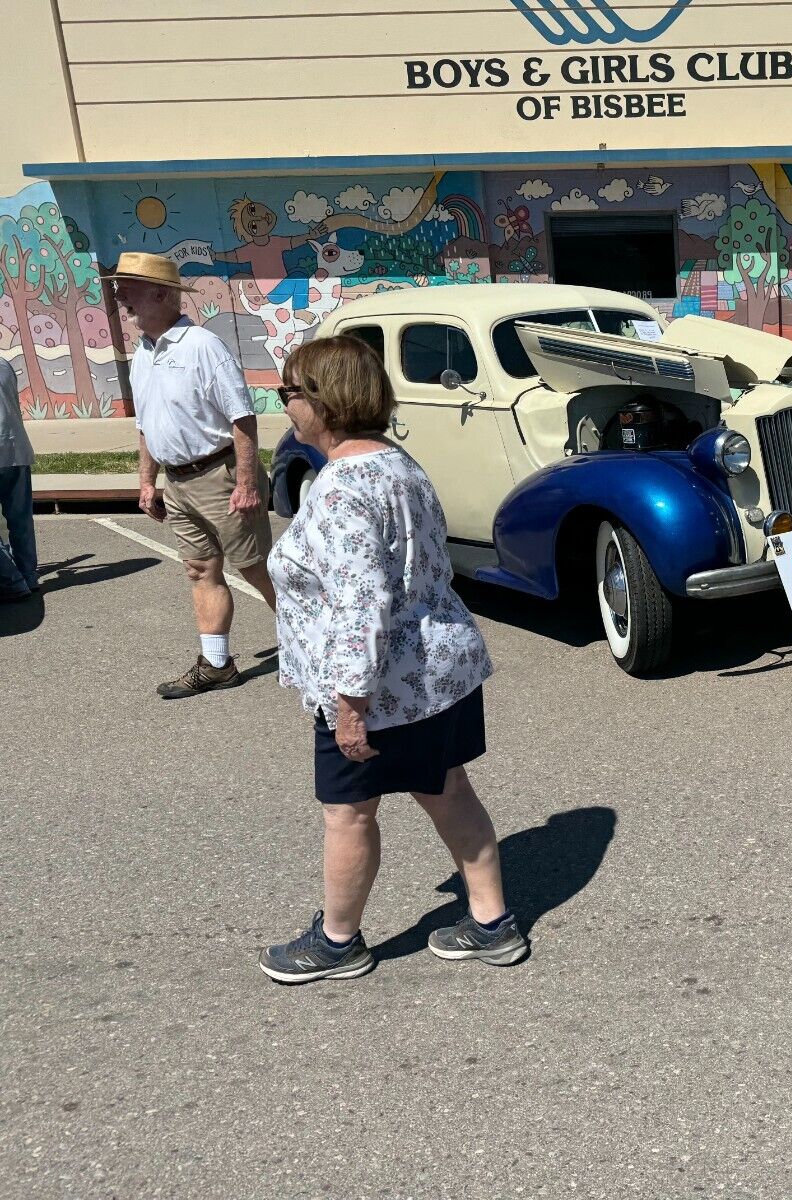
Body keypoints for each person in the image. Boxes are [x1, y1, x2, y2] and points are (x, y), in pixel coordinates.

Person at [259, 335, 526, 984]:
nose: (285, 407)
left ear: (323, 402)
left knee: (348, 813)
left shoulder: (342, 489)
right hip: (439, 669)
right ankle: (494, 924)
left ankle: (336, 941)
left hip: (382, 687)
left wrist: (349, 708)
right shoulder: (397, 463)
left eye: (288, 394)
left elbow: (360, 603)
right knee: (446, 786)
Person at [107, 251, 277, 697]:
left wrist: (245, 483)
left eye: (128, 286)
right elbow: (146, 425)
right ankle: (217, 664)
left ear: (161, 293)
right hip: (177, 483)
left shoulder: (202, 346)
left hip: (220, 477)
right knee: (201, 570)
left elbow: (242, 418)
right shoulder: (144, 353)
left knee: (257, 568)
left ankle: (313, 646)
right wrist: (147, 481)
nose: (119, 294)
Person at [0, 356, 37, 601]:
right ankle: (28, 575)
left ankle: (12, 580)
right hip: (16, 450)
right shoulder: (4, 365)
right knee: (21, 519)